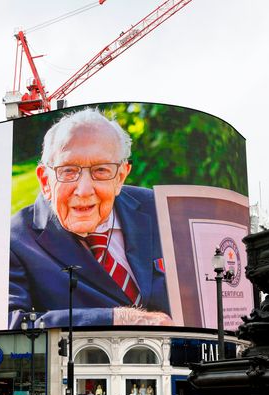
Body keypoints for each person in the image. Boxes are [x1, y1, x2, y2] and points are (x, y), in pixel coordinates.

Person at [9, 108, 173, 329]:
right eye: (68, 171)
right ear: (45, 181)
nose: (84, 190)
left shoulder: (159, 209)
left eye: (101, 170)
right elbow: (12, 324)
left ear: (121, 177)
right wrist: (117, 319)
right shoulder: (14, 241)